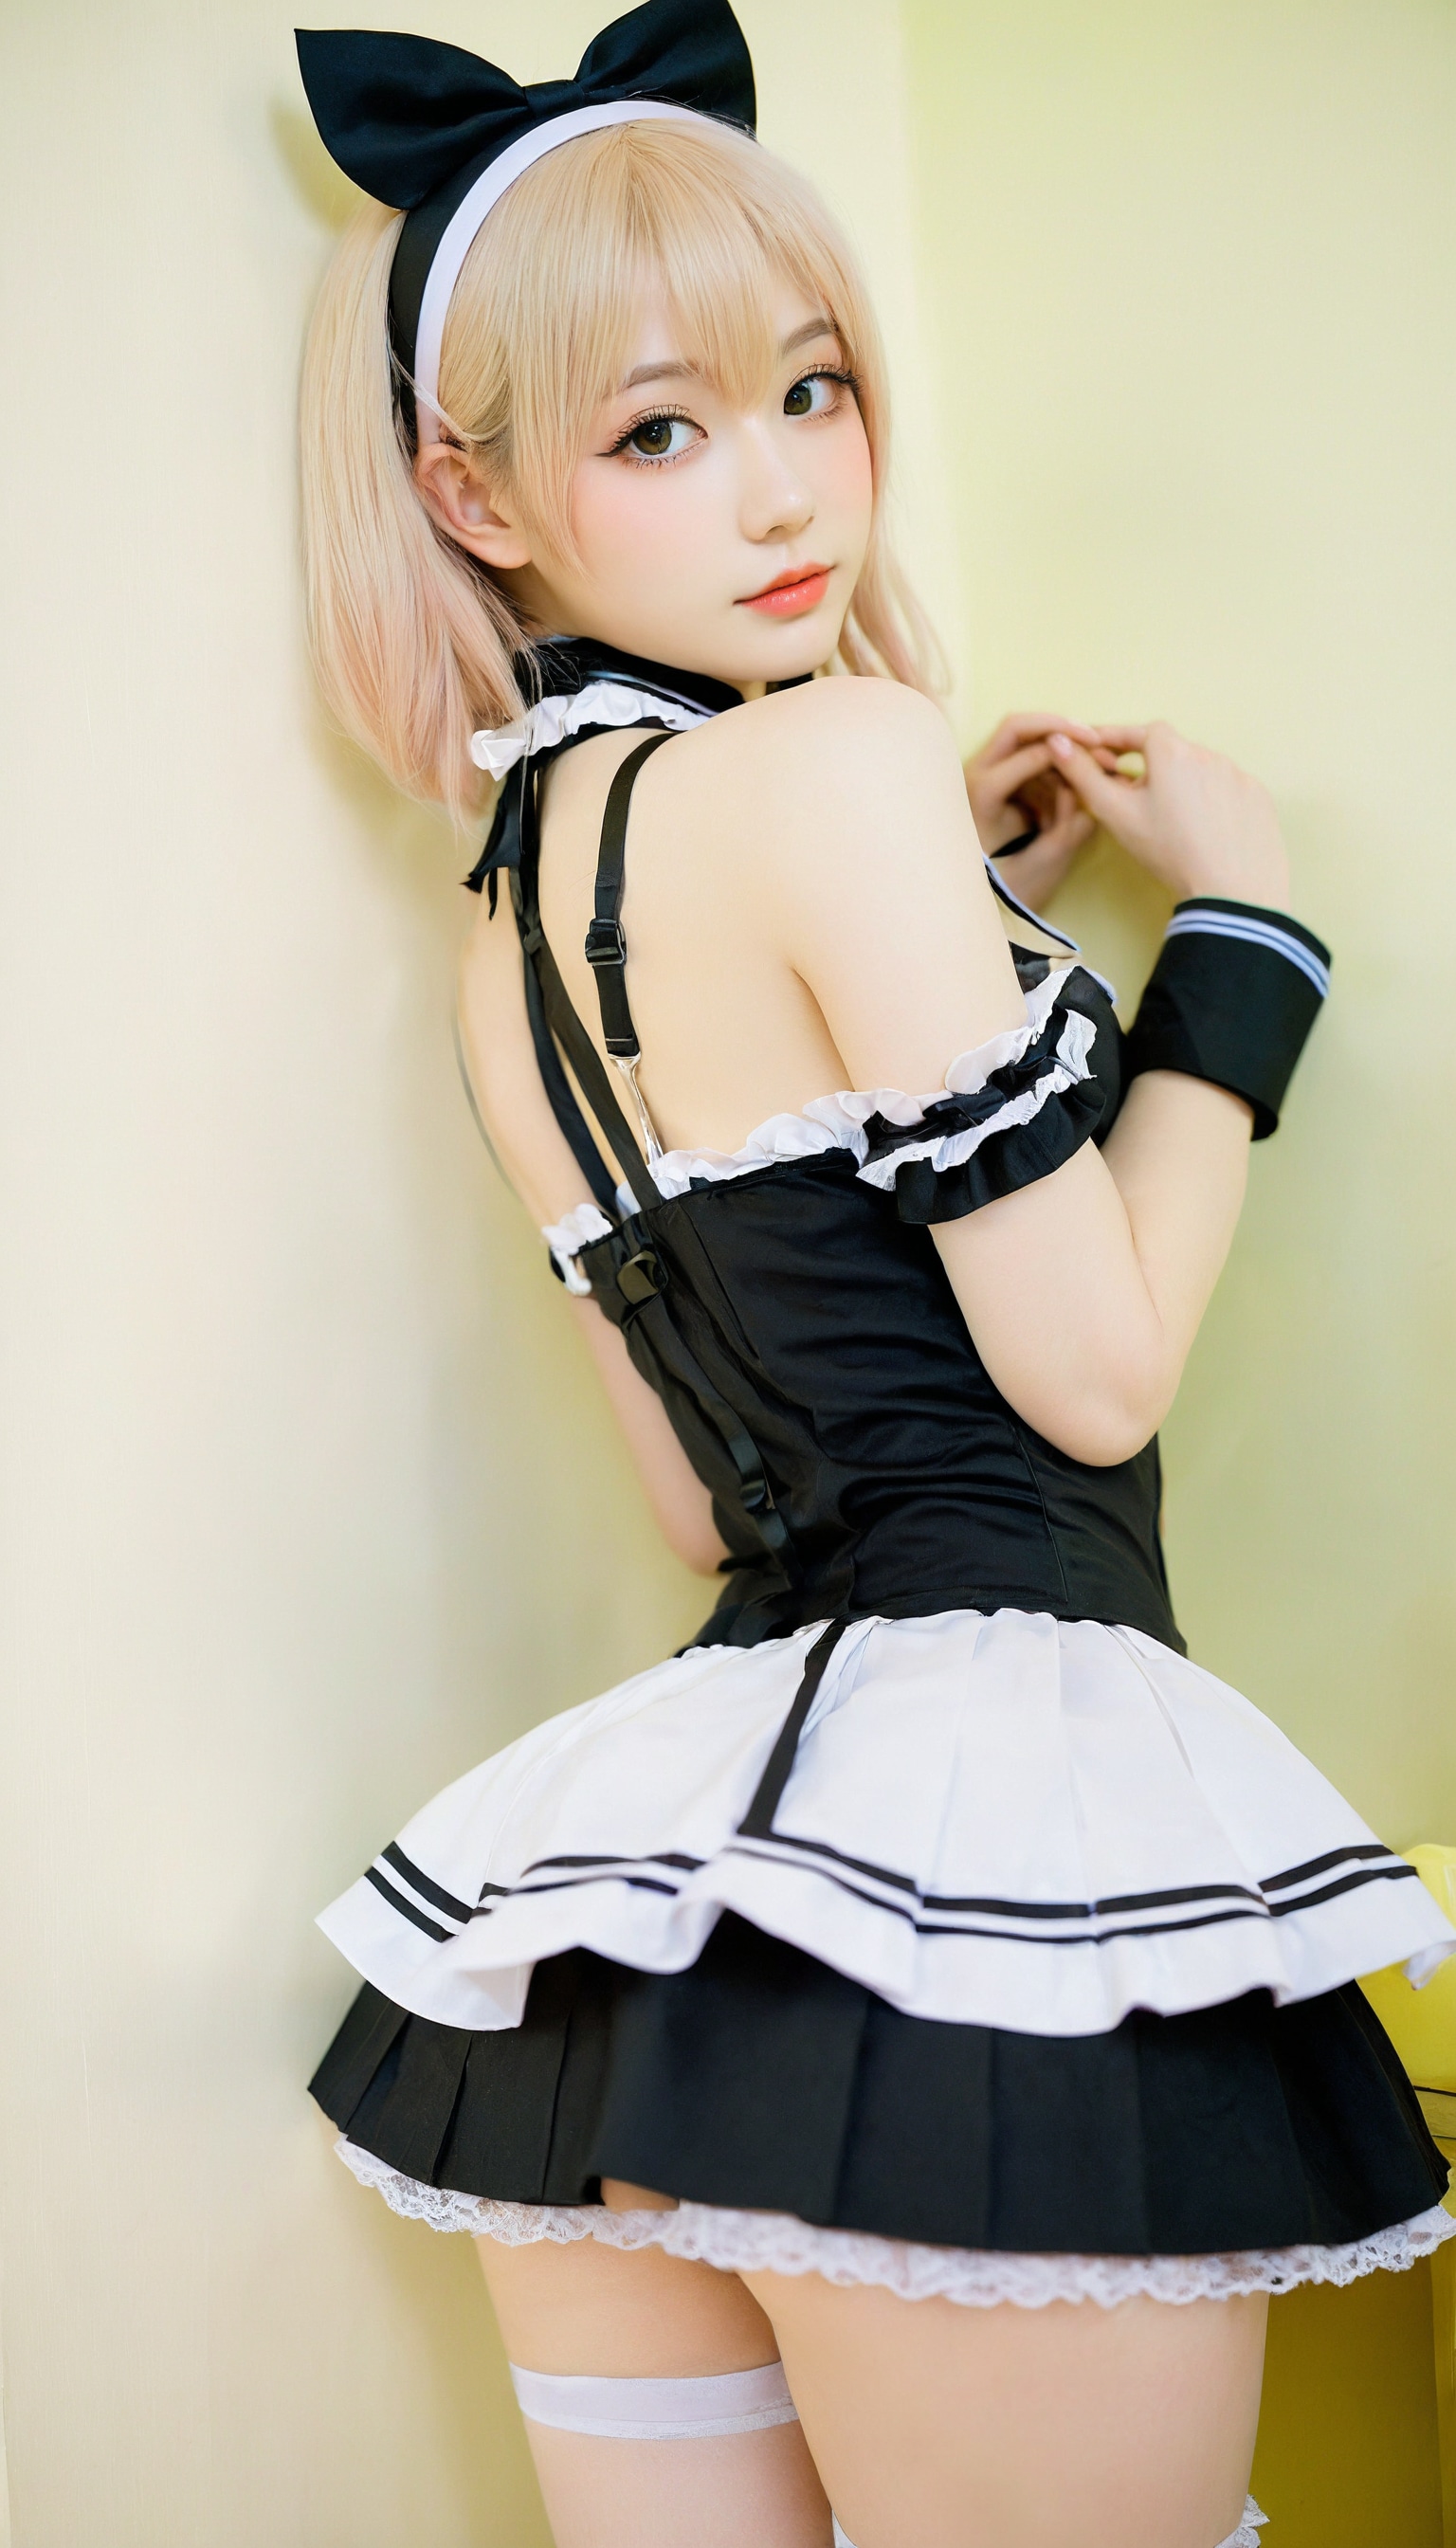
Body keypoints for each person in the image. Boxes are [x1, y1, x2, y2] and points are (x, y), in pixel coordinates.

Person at [293, 7, 1455, 2542]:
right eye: (660, 432)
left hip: (637, 1949)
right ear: (472, 494)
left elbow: (708, 1494)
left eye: (811, 388)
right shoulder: (835, 766)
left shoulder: (507, 943)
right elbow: (1095, 1375)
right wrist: (1238, 949)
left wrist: (972, 920)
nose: (783, 487)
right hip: (979, 1884)